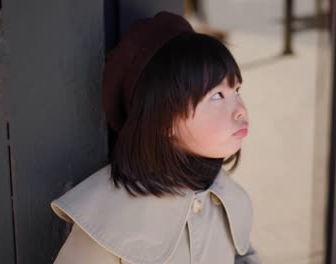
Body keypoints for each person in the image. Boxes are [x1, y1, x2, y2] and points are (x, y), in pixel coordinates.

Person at [50, 11, 262, 264]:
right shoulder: (109, 221)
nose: (240, 109)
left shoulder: (227, 196)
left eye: (236, 90)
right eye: (217, 96)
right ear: (164, 121)